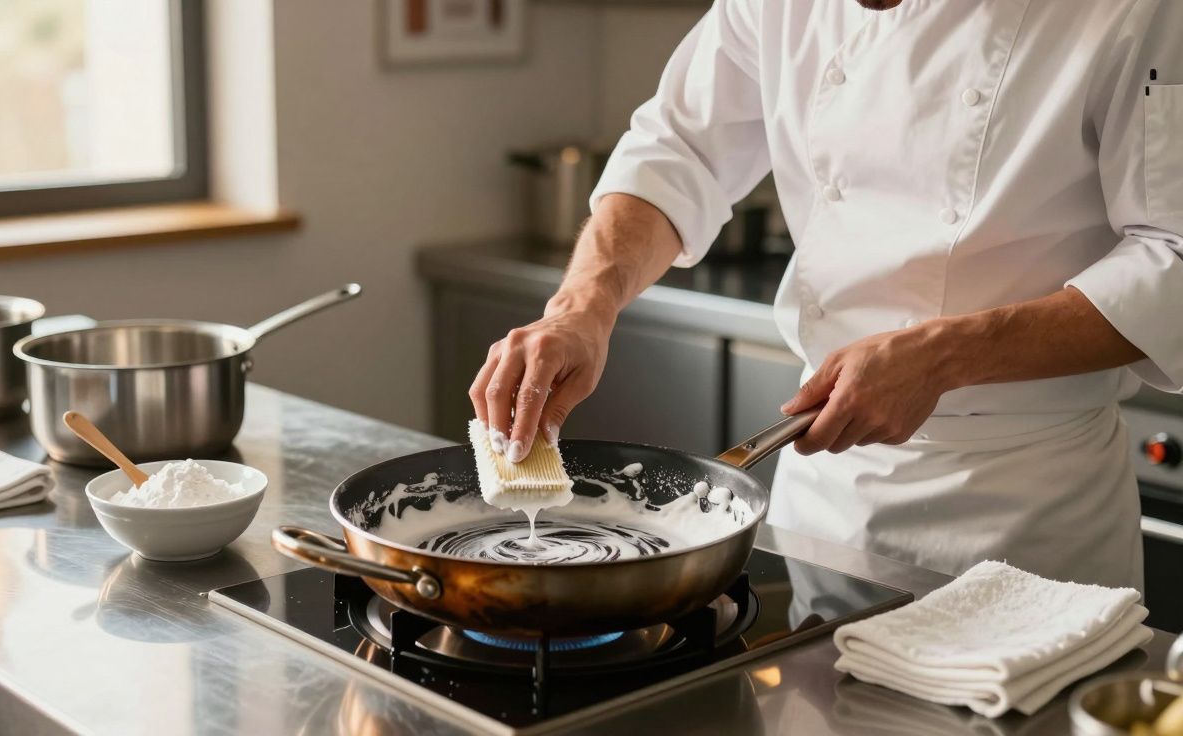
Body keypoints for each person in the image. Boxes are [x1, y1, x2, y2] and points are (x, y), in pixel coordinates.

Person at [469, 0, 1183, 589]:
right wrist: (580, 310)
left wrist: (942, 355)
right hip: (824, 505)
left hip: (1028, 518)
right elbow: (679, 149)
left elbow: (1173, 257)